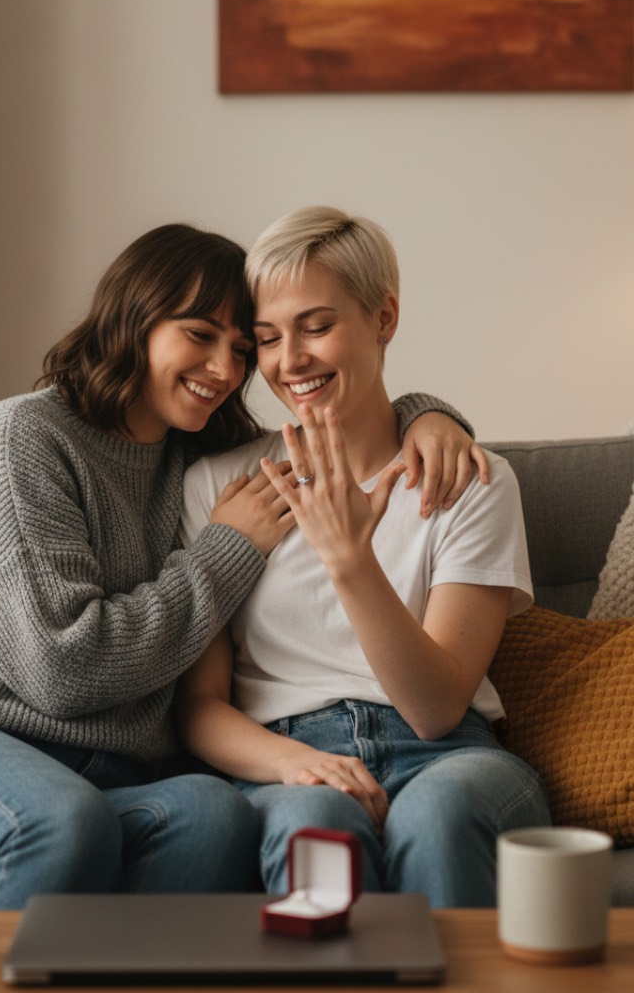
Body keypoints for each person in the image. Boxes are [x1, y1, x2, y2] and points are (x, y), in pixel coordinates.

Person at [0, 222, 484, 910]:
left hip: (106, 777)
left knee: (216, 814)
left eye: (243, 349)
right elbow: (60, 670)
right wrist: (226, 551)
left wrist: (429, 418)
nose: (224, 370)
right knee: (60, 824)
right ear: (135, 318)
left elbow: (349, 418)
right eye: (199, 335)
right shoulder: (24, 437)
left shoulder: (202, 457)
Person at [176, 206, 551, 908]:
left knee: (439, 817)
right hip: (284, 754)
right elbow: (198, 707)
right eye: (267, 339)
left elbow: (438, 707)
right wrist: (299, 764)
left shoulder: (469, 480)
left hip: (451, 755)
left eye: (317, 327)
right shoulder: (216, 488)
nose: (291, 361)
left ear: (384, 318)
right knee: (315, 828)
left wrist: (350, 559)